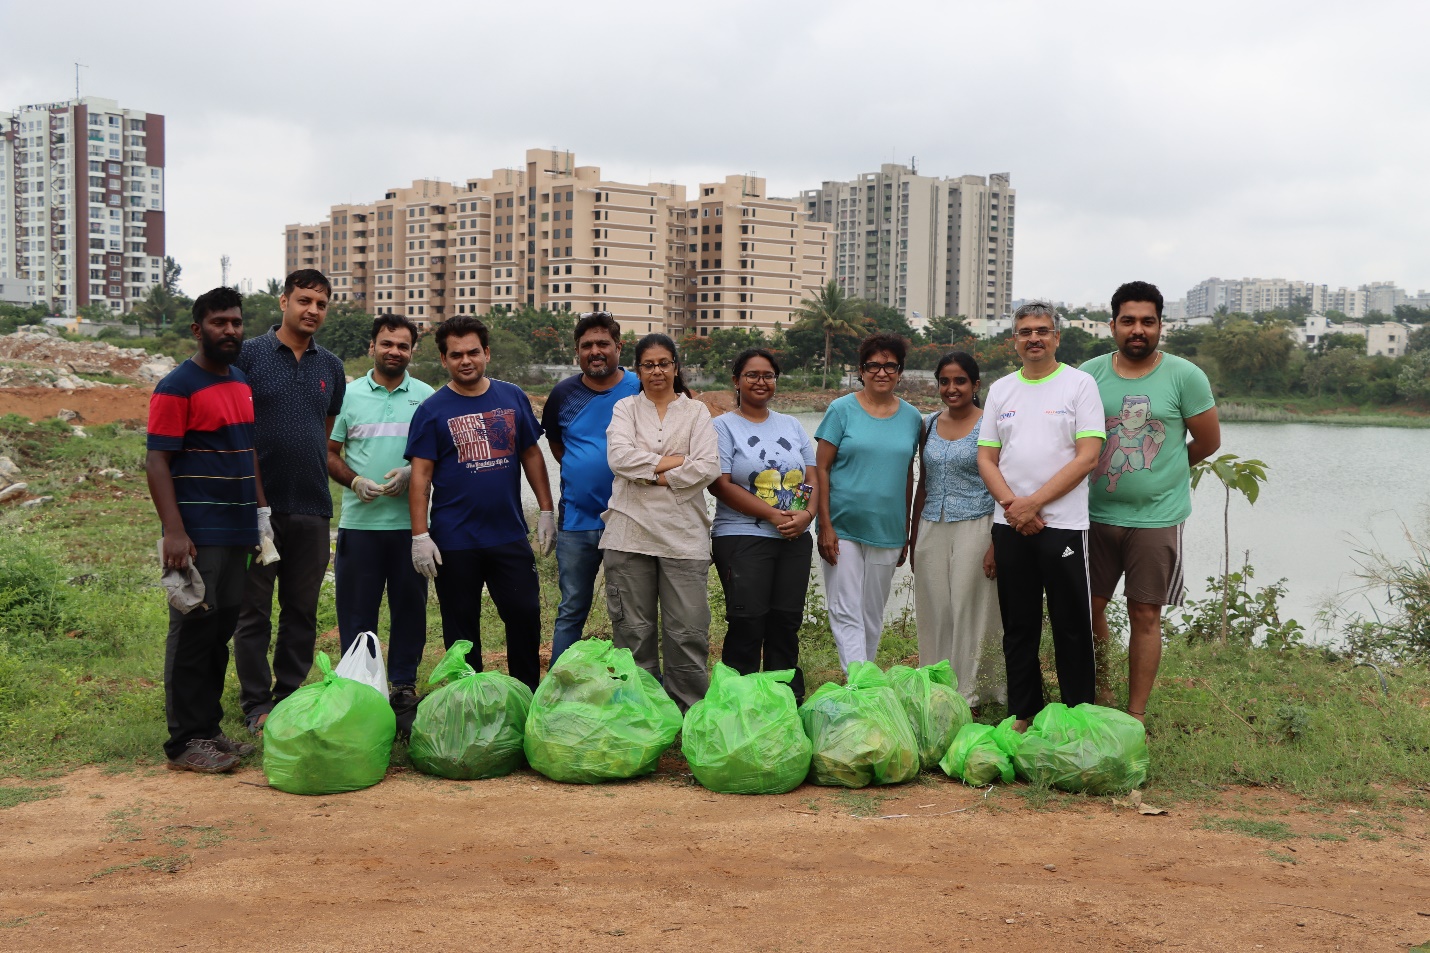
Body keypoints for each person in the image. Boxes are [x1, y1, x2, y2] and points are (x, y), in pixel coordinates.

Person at [146, 287, 272, 772]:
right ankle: (183, 742)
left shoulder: (240, 380)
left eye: (236, 322)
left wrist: (261, 517)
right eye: (220, 322)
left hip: (238, 528)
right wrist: (174, 532)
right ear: (198, 329)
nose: (231, 330)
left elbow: (247, 452)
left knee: (220, 631)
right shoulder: (177, 386)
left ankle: (209, 728)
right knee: (192, 631)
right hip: (198, 531)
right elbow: (158, 461)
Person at [1083, 281, 1220, 721]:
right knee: (1087, 607)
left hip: (1157, 518)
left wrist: (1162, 475)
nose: (1137, 330)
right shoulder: (1088, 375)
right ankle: (1099, 691)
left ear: (1161, 325)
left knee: (1145, 613)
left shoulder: (1185, 376)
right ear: (1113, 326)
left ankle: (1135, 716)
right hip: (1091, 515)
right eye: (1128, 321)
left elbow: (1207, 442)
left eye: (1147, 321)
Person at [404, 316, 555, 692]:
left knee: (524, 614)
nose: (466, 360)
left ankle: (526, 696)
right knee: (462, 631)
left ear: (486, 353)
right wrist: (420, 535)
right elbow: (420, 476)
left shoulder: (512, 396)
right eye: (456, 355)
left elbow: (532, 456)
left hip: (508, 534)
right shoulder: (432, 410)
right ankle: (468, 704)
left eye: (473, 352)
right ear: (444, 360)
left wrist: (547, 510)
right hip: (455, 540)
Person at [977, 301, 1106, 730]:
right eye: (1026, 331)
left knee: (1072, 625)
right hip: (1011, 525)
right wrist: (1016, 509)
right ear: (1014, 340)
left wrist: (1034, 505)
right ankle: (1024, 713)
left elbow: (1088, 456)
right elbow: (986, 459)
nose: (1034, 337)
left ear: (1056, 338)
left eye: (1043, 330)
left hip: (1064, 526)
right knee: (1019, 625)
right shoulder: (1001, 390)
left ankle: (1077, 716)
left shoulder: (1079, 385)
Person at [232, 269, 346, 736]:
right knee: (253, 611)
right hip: (257, 508)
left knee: (300, 610)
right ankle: (256, 704)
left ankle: (291, 696)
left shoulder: (331, 367)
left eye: (320, 304)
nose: (312, 311)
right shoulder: (250, 355)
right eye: (304, 300)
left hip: (313, 506)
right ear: (283, 302)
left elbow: (327, 433)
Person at [326, 314, 436, 730]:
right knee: (357, 615)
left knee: (410, 612)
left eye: (403, 345)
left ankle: (403, 690)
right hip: (360, 527)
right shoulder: (348, 395)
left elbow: (438, 453)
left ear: (412, 351)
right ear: (372, 347)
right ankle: (360, 690)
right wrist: (353, 480)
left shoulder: (426, 397)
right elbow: (330, 452)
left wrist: (413, 470)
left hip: (411, 529)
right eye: (387, 344)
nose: (394, 351)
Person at [601, 333, 719, 711]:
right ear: (637, 370)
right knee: (633, 634)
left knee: (687, 631)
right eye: (648, 365)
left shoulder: (696, 412)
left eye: (664, 363)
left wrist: (647, 471)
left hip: (685, 537)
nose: (657, 371)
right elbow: (619, 459)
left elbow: (708, 467)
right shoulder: (625, 409)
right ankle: (640, 717)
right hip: (627, 532)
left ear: (676, 367)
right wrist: (675, 462)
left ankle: (690, 717)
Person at [709, 348, 820, 702]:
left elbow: (813, 475)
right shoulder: (723, 426)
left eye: (768, 375)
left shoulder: (791, 425)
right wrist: (773, 515)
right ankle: (736, 705)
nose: (761, 381)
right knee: (748, 624)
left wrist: (806, 516)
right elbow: (720, 483)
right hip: (741, 537)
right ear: (736, 381)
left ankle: (784, 704)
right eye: (752, 375)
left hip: (794, 539)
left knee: (786, 624)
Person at [813, 333, 923, 670]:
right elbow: (821, 468)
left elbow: (907, 474)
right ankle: (860, 686)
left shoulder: (912, 418)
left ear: (900, 371)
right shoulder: (841, 410)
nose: (882, 372)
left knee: (872, 613)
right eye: (874, 365)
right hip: (843, 525)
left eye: (890, 366)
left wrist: (905, 531)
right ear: (861, 370)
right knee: (845, 609)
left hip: (887, 529)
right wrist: (825, 526)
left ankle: (865, 680)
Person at [541, 311, 640, 667]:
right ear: (576, 351)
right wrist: (582, 467)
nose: (595, 351)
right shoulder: (563, 394)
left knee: (628, 614)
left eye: (603, 343)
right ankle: (558, 688)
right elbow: (556, 443)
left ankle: (629, 691)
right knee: (571, 608)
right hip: (576, 521)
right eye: (587, 345)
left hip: (631, 521)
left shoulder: (640, 386)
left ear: (618, 346)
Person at [909, 351, 1003, 708]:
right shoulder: (929, 424)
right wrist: (914, 535)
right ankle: (935, 688)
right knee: (935, 607)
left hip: (976, 524)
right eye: (944, 381)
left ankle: (973, 692)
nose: (951, 388)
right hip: (933, 524)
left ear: (976, 385)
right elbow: (923, 483)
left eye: (960, 381)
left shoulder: (990, 425)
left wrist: (996, 540)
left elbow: (1001, 483)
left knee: (970, 607)